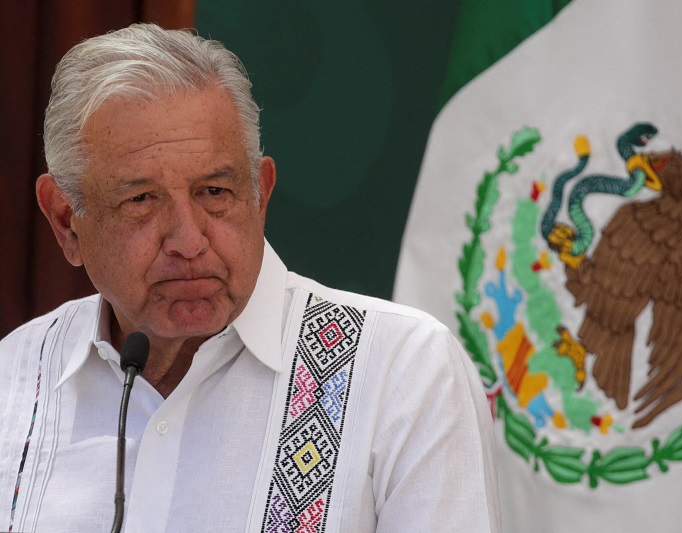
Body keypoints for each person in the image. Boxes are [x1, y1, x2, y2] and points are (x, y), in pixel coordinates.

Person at [0, 23, 500, 533]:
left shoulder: (404, 370)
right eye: (141, 200)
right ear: (66, 219)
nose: (189, 239)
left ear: (260, 194)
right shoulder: (14, 382)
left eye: (214, 191)